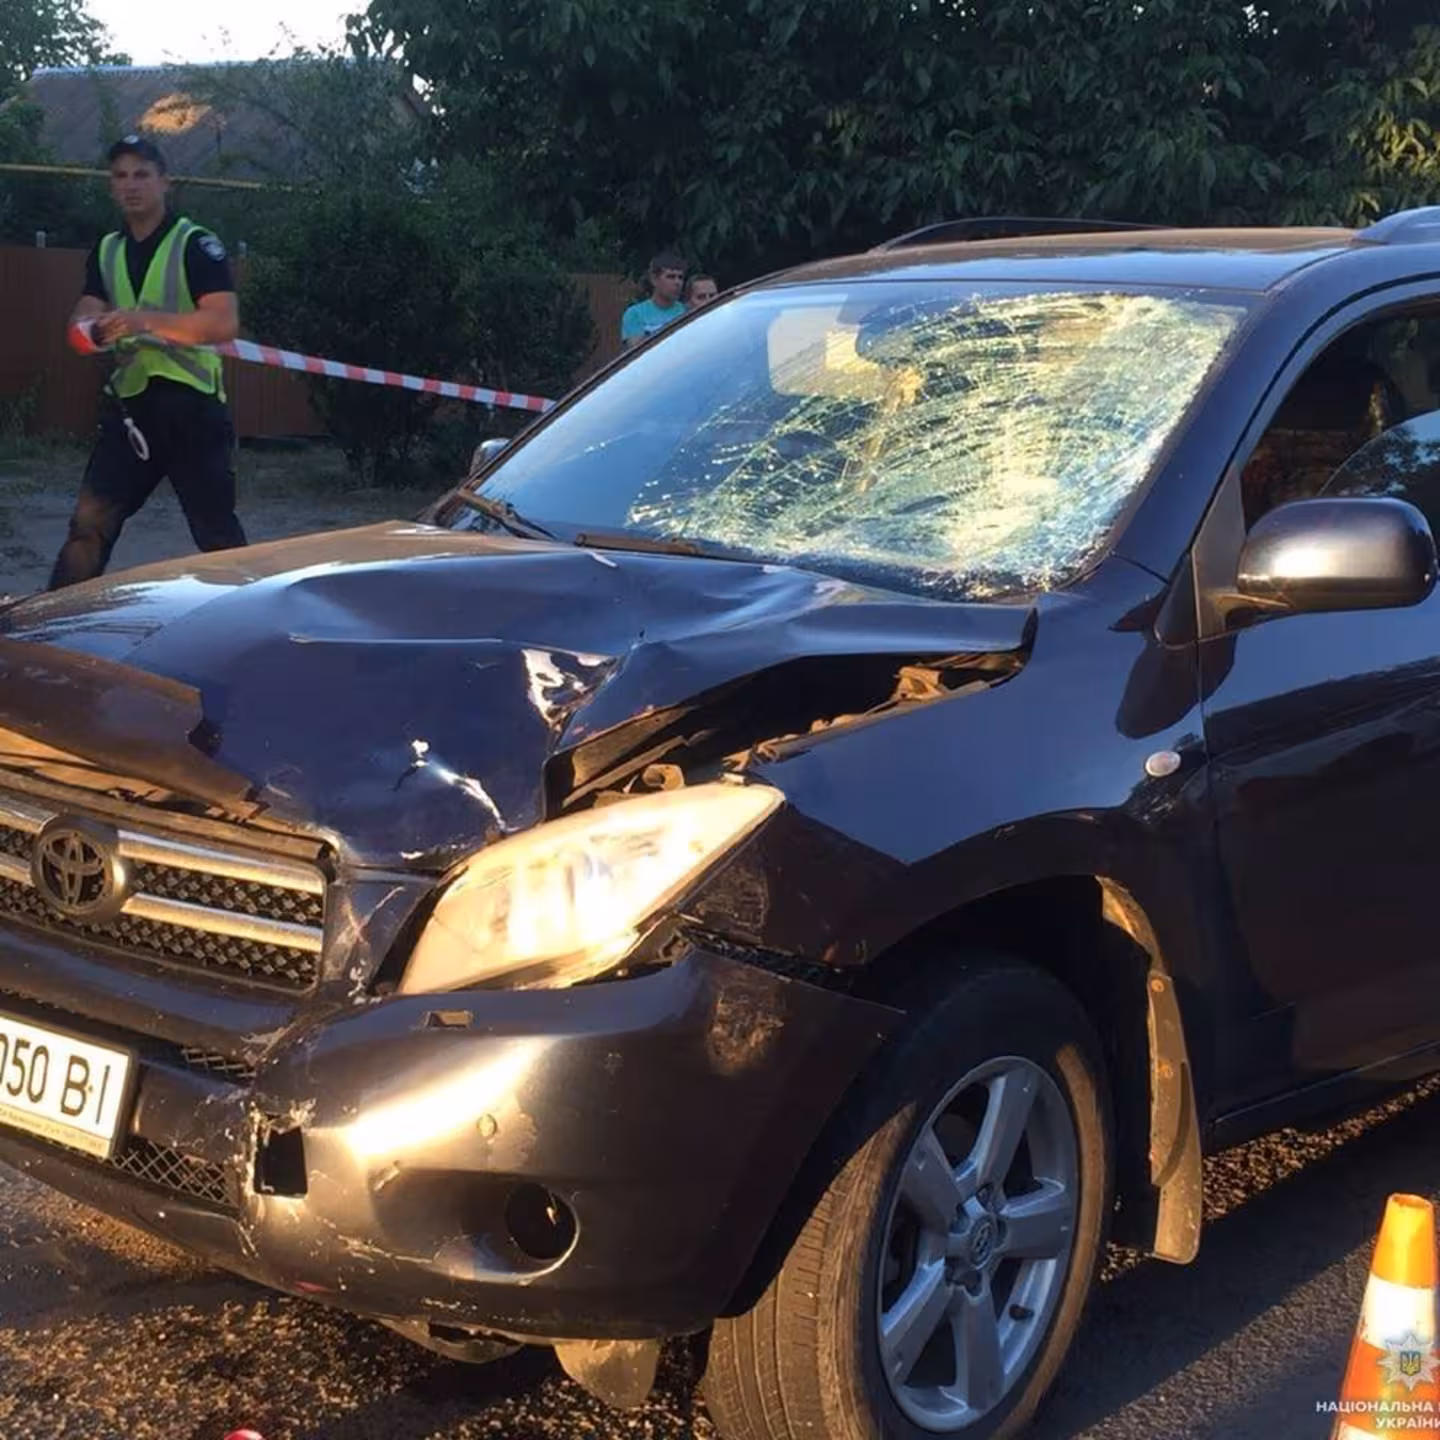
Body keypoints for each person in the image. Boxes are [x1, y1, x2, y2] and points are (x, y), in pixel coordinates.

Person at [48, 134, 246, 590]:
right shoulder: (107, 250)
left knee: (217, 536)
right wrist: (97, 334)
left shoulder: (196, 243)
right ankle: (52, 621)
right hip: (131, 411)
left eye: (141, 174)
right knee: (88, 526)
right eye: (120, 176)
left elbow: (223, 323)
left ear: (164, 182)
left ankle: (255, 620)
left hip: (192, 410)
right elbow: (80, 323)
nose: (130, 185)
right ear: (111, 186)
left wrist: (143, 322)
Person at [620, 251, 687, 349]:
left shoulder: (686, 311)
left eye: (680, 277)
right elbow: (636, 350)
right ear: (654, 280)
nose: (677, 282)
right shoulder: (635, 314)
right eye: (671, 277)